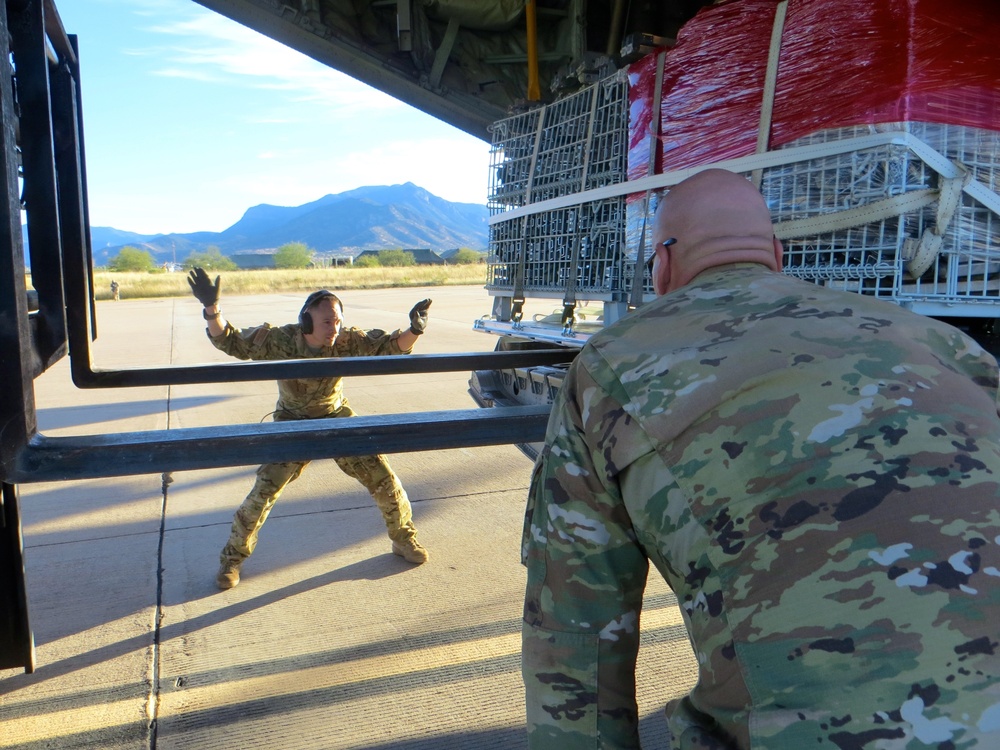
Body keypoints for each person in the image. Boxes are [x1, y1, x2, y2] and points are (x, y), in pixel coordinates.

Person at [521, 169, 1000, 748]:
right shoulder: (938, 342)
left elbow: (575, 636)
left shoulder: (608, 369)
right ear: (775, 254)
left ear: (663, 265)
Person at [187, 267, 433, 590]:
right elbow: (230, 342)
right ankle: (231, 560)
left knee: (384, 478)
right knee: (261, 495)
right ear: (306, 321)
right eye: (327, 322)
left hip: (335, 417)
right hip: (292, 423)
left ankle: (403, 539)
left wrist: (416, 329)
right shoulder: (280, 341)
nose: (334, 328)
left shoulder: (345, 341)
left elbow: (388, 346)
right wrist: (211, 309)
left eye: (338, 321)